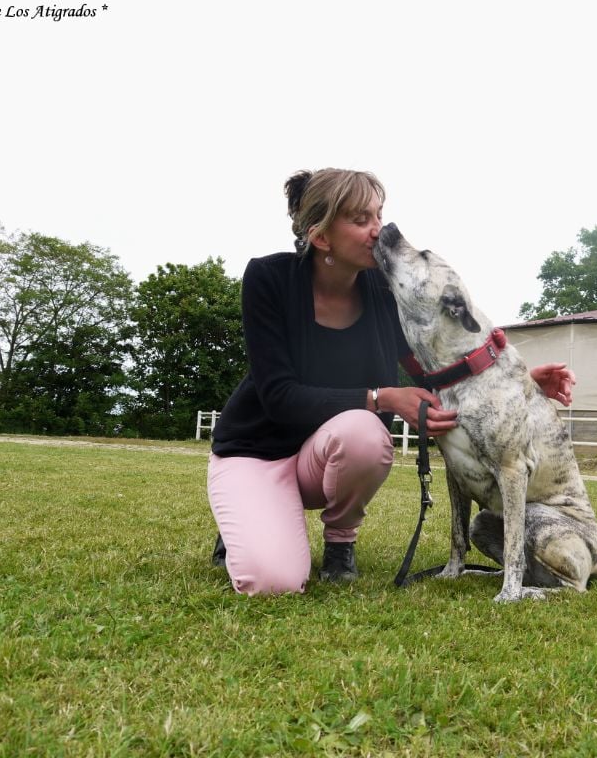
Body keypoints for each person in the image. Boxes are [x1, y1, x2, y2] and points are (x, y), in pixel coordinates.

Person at [208, 168, 575, 596]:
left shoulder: (384, 294)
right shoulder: (268, 280)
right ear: (322, 237)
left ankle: (340, 543)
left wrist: (518, 386)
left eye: (378, 215)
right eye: (360, 220)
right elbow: (278, 396)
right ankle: (247, 517)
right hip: (256, 451)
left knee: (365, 434)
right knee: (272, 583)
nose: (377, 231)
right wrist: (381, 397)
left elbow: (431, 375)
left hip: (325, 457)